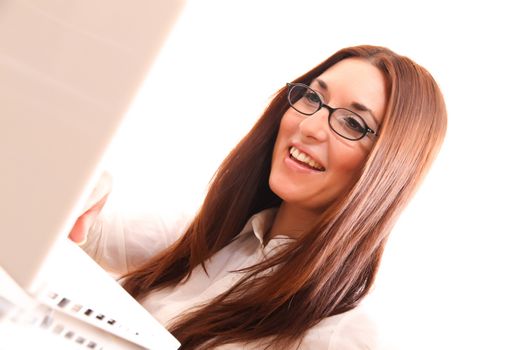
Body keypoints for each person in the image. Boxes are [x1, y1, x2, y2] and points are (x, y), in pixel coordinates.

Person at [71, 45, 447, 349]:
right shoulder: (209, 237)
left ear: (387, 168)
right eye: (313, 97)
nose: (309, 126)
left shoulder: (344, 334)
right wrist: (82, 182)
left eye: (352, 123)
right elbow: (83, 224)